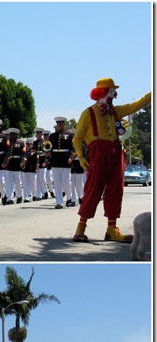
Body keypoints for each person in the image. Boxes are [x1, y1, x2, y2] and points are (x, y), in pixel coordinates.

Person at [72, 79, 151, 241]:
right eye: (110, 91)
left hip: (116, 152)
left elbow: (135, 105)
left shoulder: (116, 111)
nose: (114, 95)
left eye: (113, 92)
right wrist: (81, 157)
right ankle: (80, 228)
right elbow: (77, 139)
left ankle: (112, 229)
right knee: (93, 189)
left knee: (116, 190)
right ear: (101, 93)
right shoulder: (88, 113)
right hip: (98, 154)